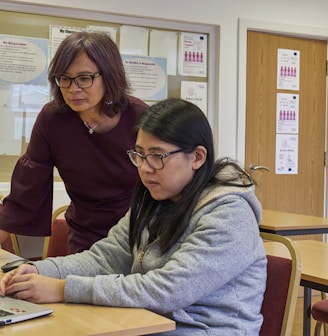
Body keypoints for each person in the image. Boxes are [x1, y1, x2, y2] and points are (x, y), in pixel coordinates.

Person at [0, 98, 267, 335]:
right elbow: (104, 258)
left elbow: (167, 289)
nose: (145, 168)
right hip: (144, 322)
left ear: (197, 157)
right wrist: (35, 271)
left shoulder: (229, 213)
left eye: (157, 156)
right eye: (139, 155)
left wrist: (61, 289)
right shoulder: (155, 199)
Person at [0, 31, 148, 253]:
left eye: (84, 78)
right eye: (65, 79)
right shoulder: (53, 120)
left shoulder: (140, 118)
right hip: (85, 233)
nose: (73, 89)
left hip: (138, 231)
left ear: (109, 76)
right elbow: (28, 187)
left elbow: (165, 181)